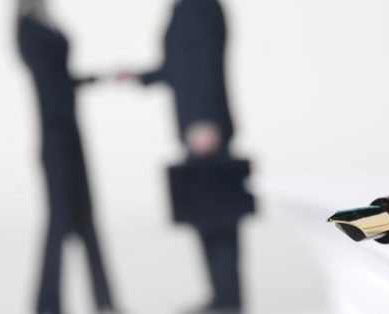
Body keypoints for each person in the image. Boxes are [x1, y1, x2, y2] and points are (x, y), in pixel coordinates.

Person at [119, 0, 248, 313]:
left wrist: (205, 122)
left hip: (205, 127)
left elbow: (206, 62)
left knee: (218, 217)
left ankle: (228, 300)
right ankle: (222, 296)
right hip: (196, 126)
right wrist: (140, 77)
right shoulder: (184, 7)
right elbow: (179, 66)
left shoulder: (199, 6)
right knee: (205, 215)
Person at [17, 0, 116, 313]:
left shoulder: (45, 23)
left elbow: (63, 78)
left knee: (87, 220)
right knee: (59, 221)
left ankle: (104, 300)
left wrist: (93, 79)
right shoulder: (27, 29)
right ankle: (47, 305)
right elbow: (51, 85)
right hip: (54, 136)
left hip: (71, 133)